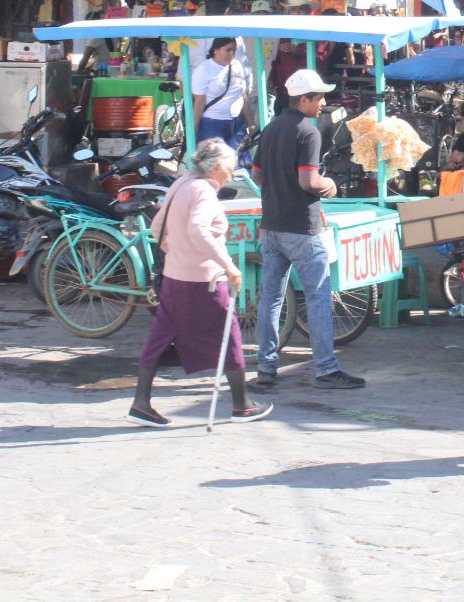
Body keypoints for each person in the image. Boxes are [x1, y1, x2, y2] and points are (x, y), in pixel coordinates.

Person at [129, 138, 274, 427]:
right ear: (218, 165)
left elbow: (157, 227)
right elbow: (199, 230)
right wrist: (229, 265)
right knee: (228, 335)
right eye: (230, 166)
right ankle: (241, 404)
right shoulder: (203, 192)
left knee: (160, 336)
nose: (232, 172)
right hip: (204, 280)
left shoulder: (181, 183)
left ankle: (140, 402)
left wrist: (178, 252)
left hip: (175, 275)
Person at [253, 67, 365, 390]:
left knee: (271, 299)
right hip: (302, 227)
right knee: (317, 297)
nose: (323, 102)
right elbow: (309, 181)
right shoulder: (309, 132)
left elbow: (258, 175)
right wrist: (329, 185)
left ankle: (266, 367)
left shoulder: (271, 129)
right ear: (304, 100)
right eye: (318, 97)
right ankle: (327, 369)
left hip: (271, 225)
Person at [192, 37, 253, 149]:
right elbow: (199, 102)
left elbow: (243, 95)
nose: (232, 54)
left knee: (240, 162)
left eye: (234, 50)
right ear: (216, 50)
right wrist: (193, 130)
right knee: (212, 162)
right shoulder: (204, 69)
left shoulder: (237, 65)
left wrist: (251, 123)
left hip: (236, 123)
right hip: (212, 125)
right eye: (228, 50)